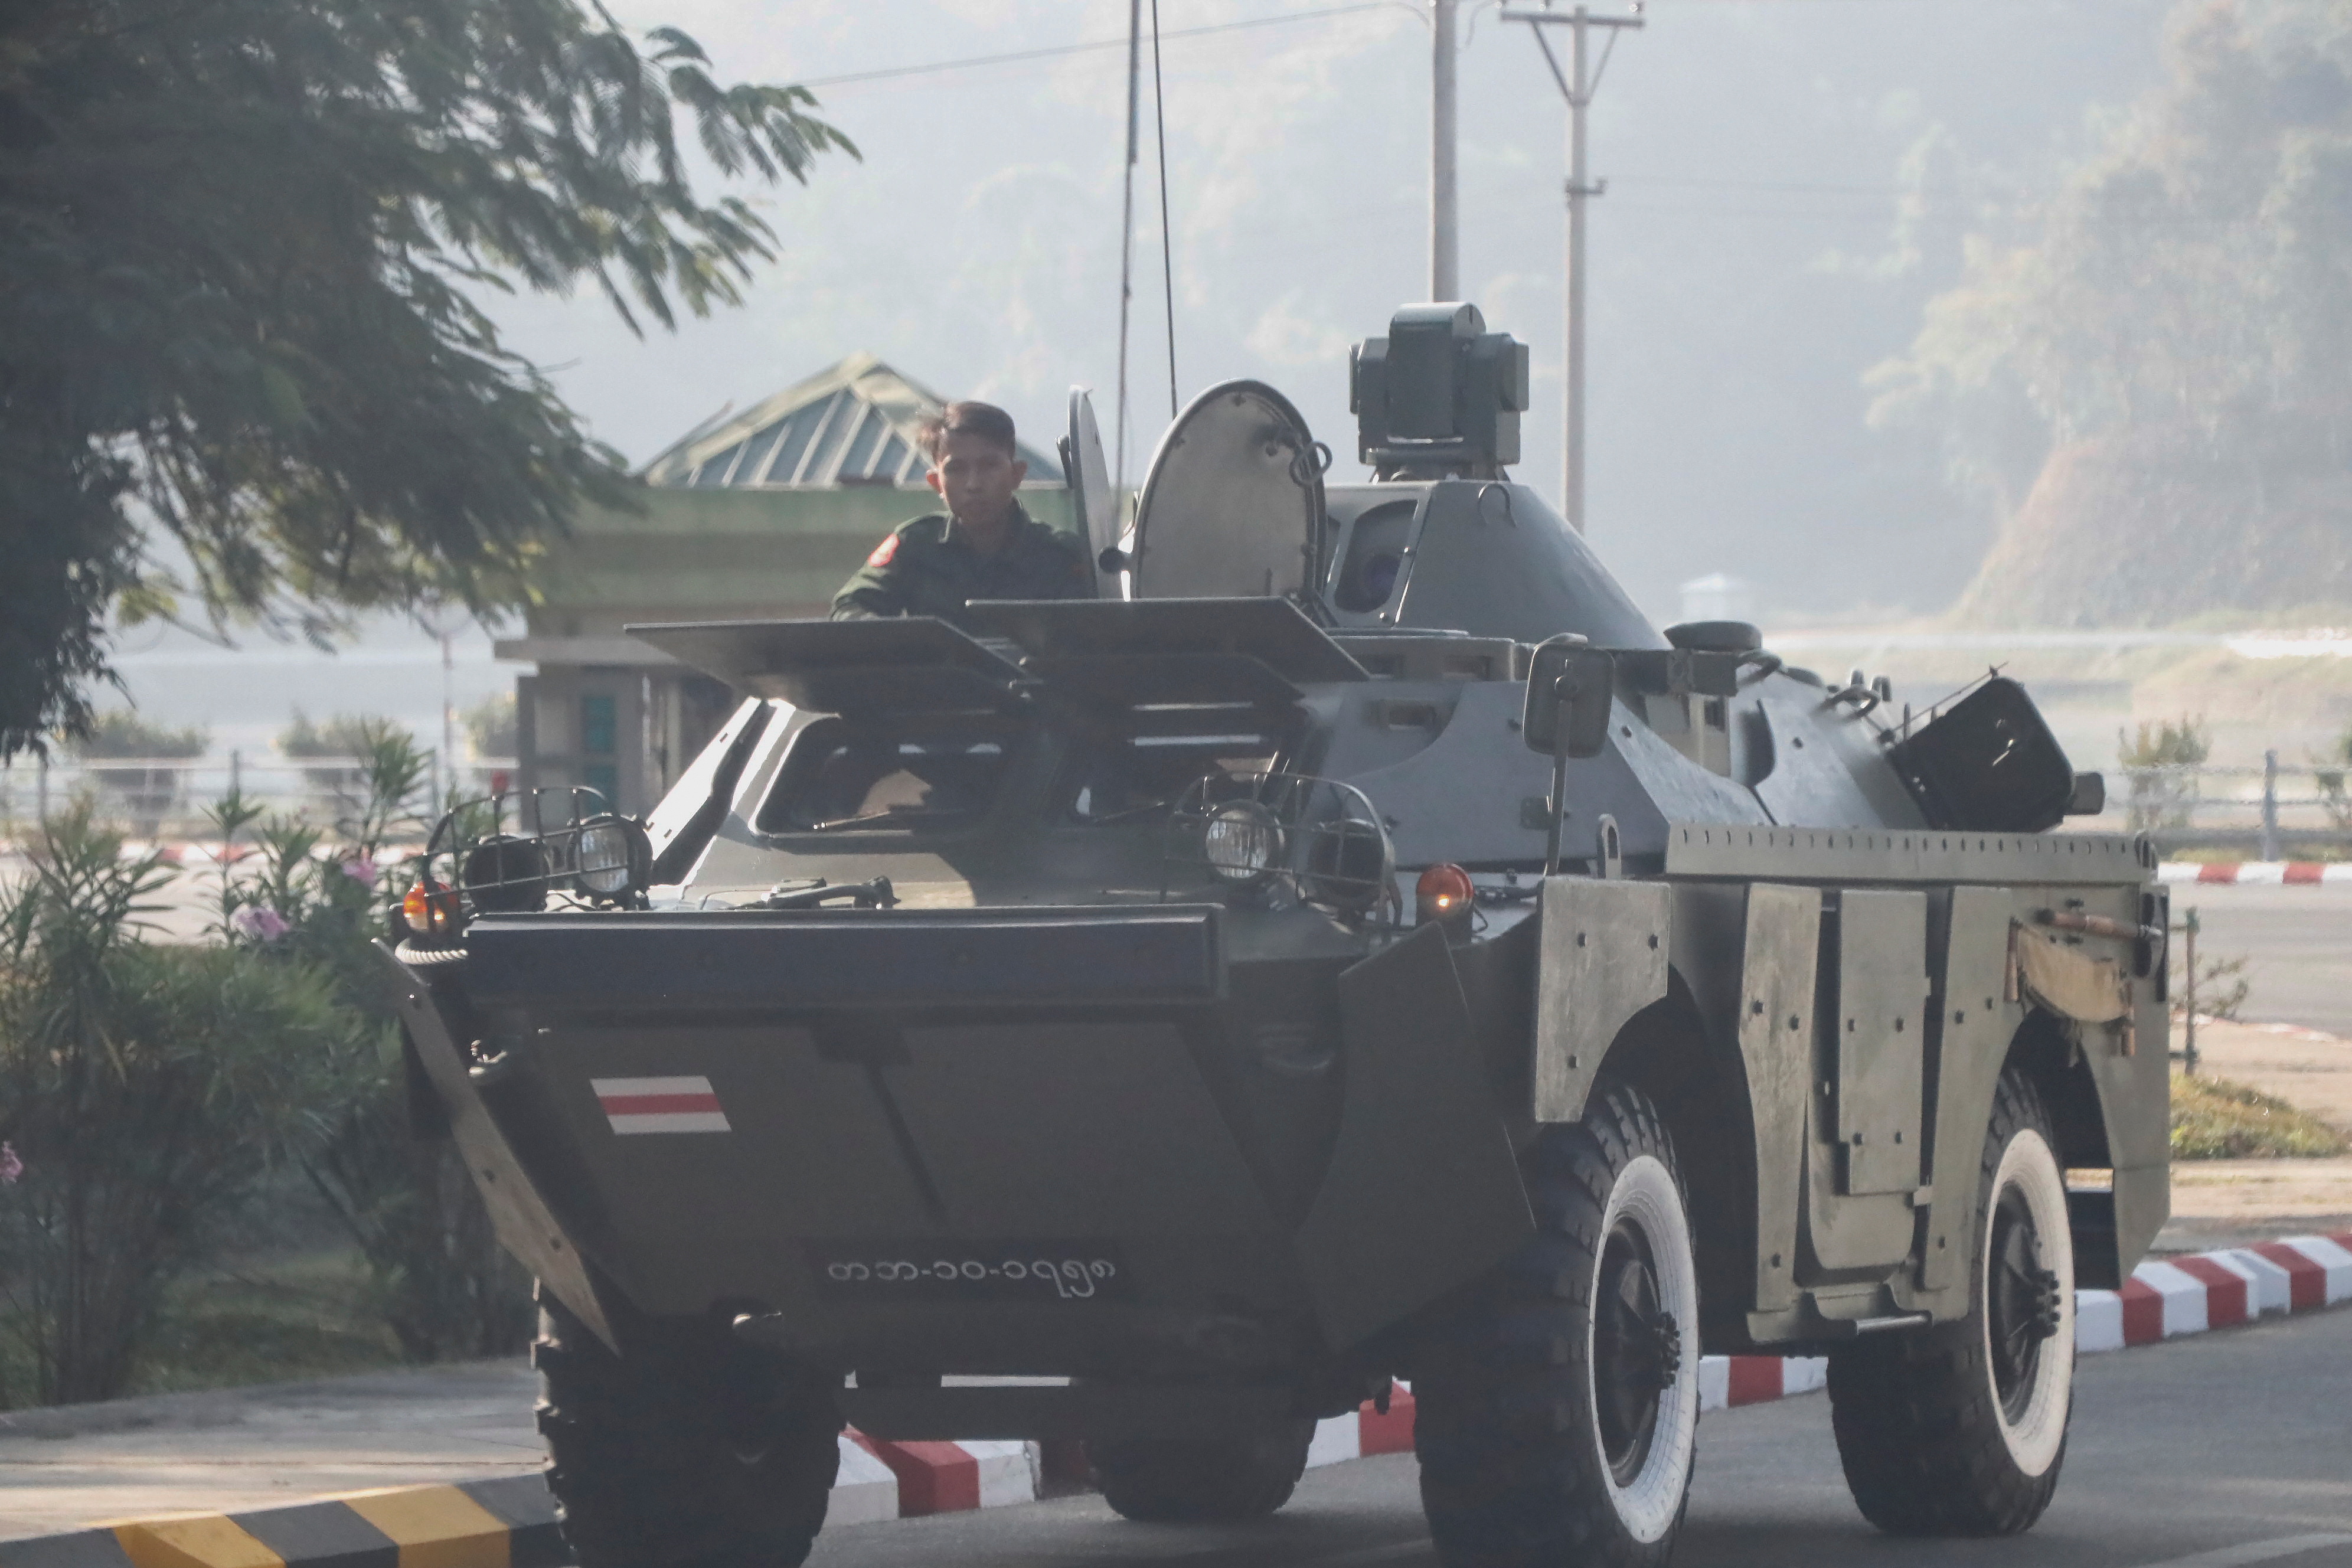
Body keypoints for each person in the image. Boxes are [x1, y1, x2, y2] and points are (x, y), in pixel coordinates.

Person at [829, 401, 1092, 627]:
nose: (973, 484)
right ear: (936, 483)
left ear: (1016, 475)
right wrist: (901, 642)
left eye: (989, 466)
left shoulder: (1063, 556)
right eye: (956, 470)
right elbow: (850, 607)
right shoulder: (915, 545)